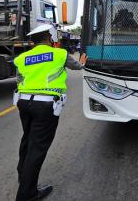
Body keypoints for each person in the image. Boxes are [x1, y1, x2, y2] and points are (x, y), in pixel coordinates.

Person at [13, 24, 87, 201]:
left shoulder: (23, 57)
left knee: (27, 140)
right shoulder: (59, 54)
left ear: (33, 41)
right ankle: (27, 194)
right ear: (50, 38)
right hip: (45, 106)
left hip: (24, 102)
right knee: (37, 148)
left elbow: (19, 79)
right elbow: (77, 66)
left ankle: (23, 178)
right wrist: (83, 62)